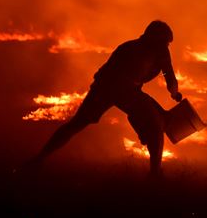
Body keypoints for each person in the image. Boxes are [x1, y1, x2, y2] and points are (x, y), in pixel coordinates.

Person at [26, 20, 182, 177]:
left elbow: (169, 76)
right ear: (152, 39)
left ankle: (155, 173)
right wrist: (142, 111)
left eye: (167, 44)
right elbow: (116, 81)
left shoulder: (160, 53)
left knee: (155, 124)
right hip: (107, 87)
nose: (166, 47)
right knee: (79, 123)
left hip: (126, 90)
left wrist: (173, 93)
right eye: (164, 43)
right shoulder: (129, 49)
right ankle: (39, 159)